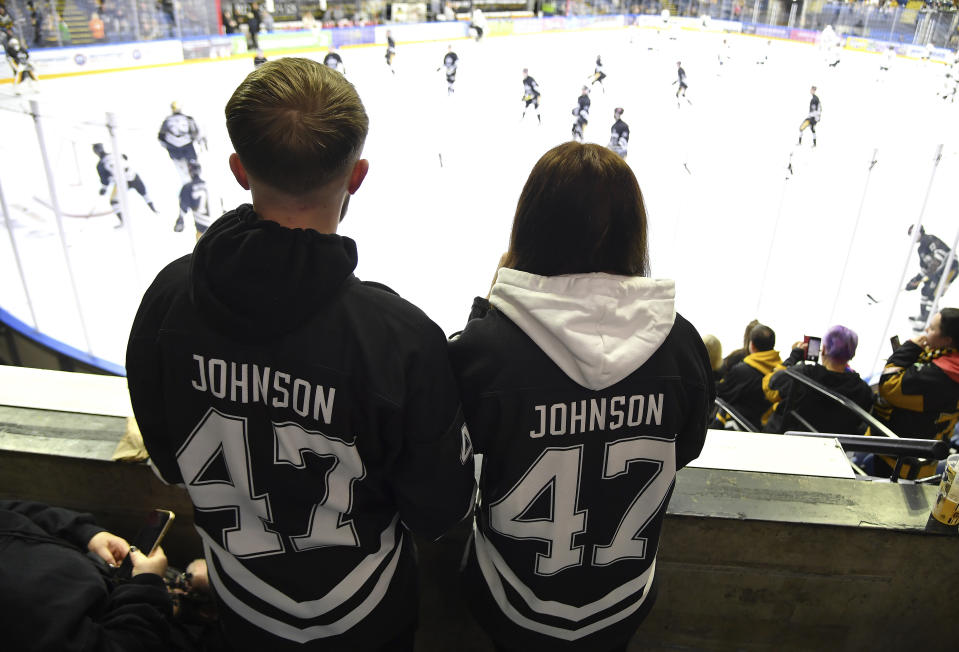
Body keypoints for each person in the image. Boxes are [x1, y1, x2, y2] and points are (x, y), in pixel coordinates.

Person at [126, 58, 475, 651]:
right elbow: (441, 510)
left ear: (238, 170)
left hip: (242, 603)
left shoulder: (165, 304)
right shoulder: (400, 339)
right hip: (368, 612)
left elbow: (167, 463)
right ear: (357, 176)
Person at [448, 142, 713, 652]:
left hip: (508, 600)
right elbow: (688, 447)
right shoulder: (682, 346)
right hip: (624, 601)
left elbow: (458, 456)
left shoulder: (486, 348)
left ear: (530, 225)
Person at [0, 500, 174, 651]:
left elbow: (16, 511)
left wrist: (86, 533)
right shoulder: (20, 612)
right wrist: (147, 586)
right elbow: (126, 645)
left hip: (110, 578)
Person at [872, 309, 959, 478]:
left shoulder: (937, 376)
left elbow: (888, 385)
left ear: (947, 341)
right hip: (925, 460)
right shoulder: (949, 363)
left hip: (898, 462)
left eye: (932, 329)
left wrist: (909, 348)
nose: (926, 331)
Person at [762, 325, 873, 435]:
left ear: (823, 349)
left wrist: (794, 356)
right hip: (832, 449)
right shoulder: (863, 390)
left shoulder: (803, 374)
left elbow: (770, 386)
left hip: (791, 441)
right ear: (852, 354)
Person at [713, 324, 781, 431]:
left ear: (752, 345)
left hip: (741, 424)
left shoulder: (742, 370)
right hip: (767, 426)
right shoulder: (780, 370)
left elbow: (721, 392)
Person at [93, 143, 158, 227]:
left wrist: (103, 188)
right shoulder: (116, 154)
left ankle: (123, 222)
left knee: (114, 201)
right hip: (133, 177)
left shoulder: (100, 165)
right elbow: (126, 158)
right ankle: (154, 210)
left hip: (122, 183)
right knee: (144, 194)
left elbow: (105, 180)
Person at [905, 225, 957, 328]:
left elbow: (940, 255)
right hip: (938, 272)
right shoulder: (920, 250)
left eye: (914, 233)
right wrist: (916, 280)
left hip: (950, 268)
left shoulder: (929, 239)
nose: (912, 236)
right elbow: (925, 269)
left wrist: (930, 273)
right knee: (925, 290)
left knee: (933, 292)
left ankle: (930, 321)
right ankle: (924, 316)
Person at [158, 101, 205, 183]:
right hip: (187, 145)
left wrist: (166, 144)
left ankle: (186, 181)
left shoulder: (167, 120)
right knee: (192, 162)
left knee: (180, 166)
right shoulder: (188, 119)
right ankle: (195, 178)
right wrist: (199, 141)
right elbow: (196, 132)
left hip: (173, 147)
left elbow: (161, 136)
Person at [173, 161, 212, 238]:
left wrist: (180, 220)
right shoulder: (210, 185)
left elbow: (183, 207)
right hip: (218, 225)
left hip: (202, 230)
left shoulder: (187, 187)